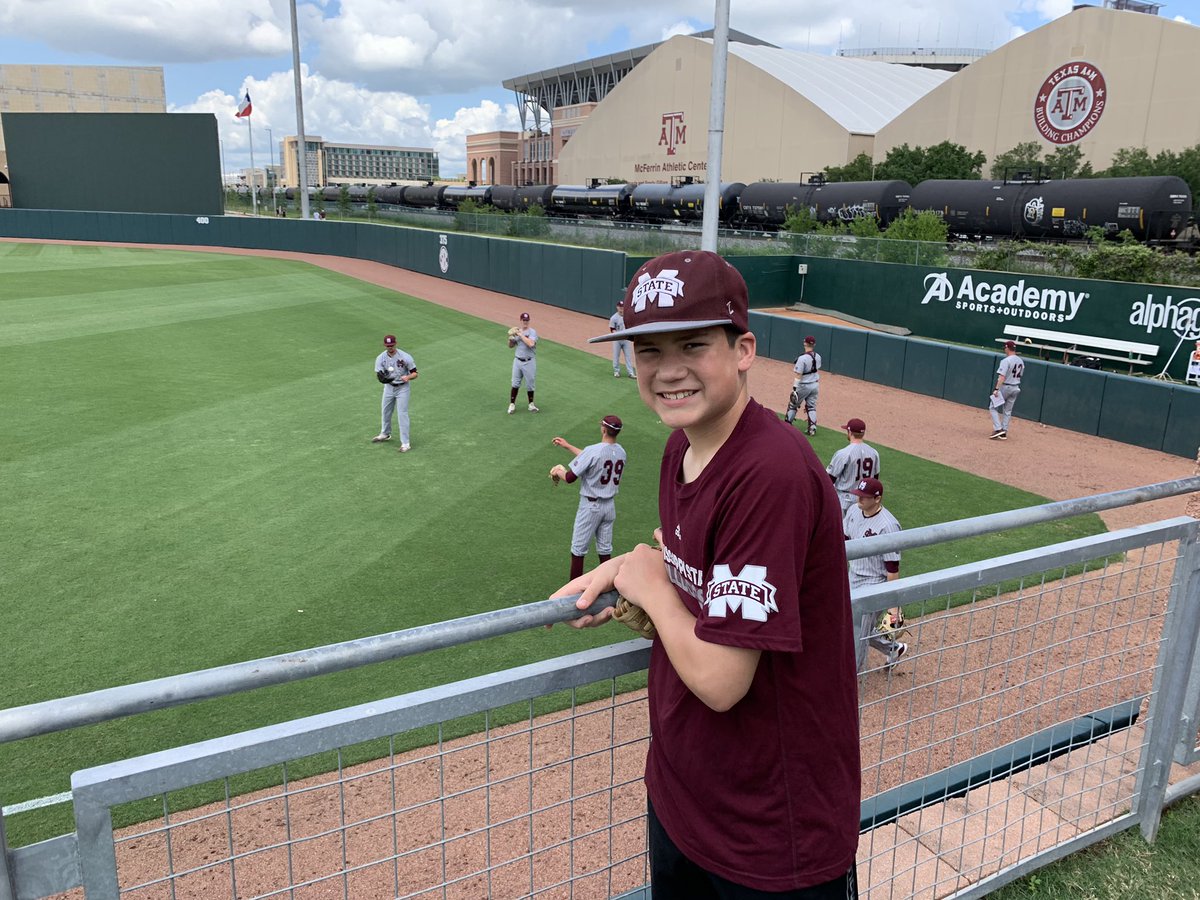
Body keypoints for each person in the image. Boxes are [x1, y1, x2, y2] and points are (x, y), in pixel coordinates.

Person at [554, 250, 860, 898]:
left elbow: (723, 681)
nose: (668, 370)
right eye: (648, 350)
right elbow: (703, 586)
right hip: (684, 796)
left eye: (692, 345)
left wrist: (652, 587)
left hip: (770, 832)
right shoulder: (681, 448)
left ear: (743, 349)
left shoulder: (770, 472)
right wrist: (633, 575)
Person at [549, 415, 627, 581]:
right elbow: (592, 458)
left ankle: (573, 591)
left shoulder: (593, 450)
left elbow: (569, 477)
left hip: (591, 508)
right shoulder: (621, 452)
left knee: (578, 550)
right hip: (609, 508)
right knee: (605, 550)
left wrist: (558, 471)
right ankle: (608, 585)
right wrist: (568, 446)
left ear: (604, 429)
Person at [842, 476, 907, 671]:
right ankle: (893, 649)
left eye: (864, 497)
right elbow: (844, 541)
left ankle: (852, 676)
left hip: (874, 583)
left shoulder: (888, 526)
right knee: (847, 624)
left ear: (877, 499)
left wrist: (893, 607)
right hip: (853, 576)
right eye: (858, 495)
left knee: (858, 632)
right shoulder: (854, 511)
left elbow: (892, 569)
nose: (859, 499)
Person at [372, 334, 418, 452]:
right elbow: (379, 374)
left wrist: (408, 377)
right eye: (388, 346)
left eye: (392, 345)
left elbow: (415, 373)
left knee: (402, 414)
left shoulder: (405, 357)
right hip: (389, 387)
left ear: (395, 344)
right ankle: (385, 433)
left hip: (402, 388)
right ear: (384, 345)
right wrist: (382, 379)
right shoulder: (381, 358)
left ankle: (405, 443)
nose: (390, 347)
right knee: (385, 411)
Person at [826, 418, 881, 515]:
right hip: (865, 501)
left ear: (850, 432)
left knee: (842, 524)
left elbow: (829, 479)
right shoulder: (874, 452)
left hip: (845, 500)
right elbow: (875, 479)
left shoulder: (843, 453)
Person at [785, 335, 820, 436]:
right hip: (815, 385)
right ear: (814, 345)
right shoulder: (818, 356)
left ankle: (787, 425)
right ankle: (812, 429)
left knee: (793, 404)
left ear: (805, 343)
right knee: (811, 407)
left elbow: (798, 374)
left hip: (804, 385)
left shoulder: (802, 358)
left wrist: (795, 388)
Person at [990, 340, 1024, 440]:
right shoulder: (1020, 361)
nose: (1004, 350)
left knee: (992, 407)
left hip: (1005, 387)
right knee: (1007, 411)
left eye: (1005, 348)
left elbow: (1002, 377)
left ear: (1007, 348)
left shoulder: (1006, 361)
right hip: (1016, 387)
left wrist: (996, 389)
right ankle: (1004, 431)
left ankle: (998, 429)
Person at [507, 311, 539, 413]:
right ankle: (512, 405)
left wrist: (520, 335)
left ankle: (531, 405)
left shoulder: (532, 332)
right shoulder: (517, 331)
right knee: (515, 383)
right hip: (517, 361)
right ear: (521, 320)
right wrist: (511, 339)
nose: (525, 322)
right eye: (524, 320)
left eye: (527, 320)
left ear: (529, 321)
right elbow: (510, 346)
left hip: (529, 362)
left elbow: (531, 344)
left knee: (530, 384)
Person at [609, 299, 636, 378]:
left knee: (628, 356)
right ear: (617, 307)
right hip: (617, 340)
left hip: (626, 339)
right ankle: (616, 371)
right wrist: (617, 335)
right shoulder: (614, 318)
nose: (621, 309)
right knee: (616, 356)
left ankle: (631, 373)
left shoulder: (628, 317)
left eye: (623, 307)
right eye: (620, 307)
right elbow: (612, 329)